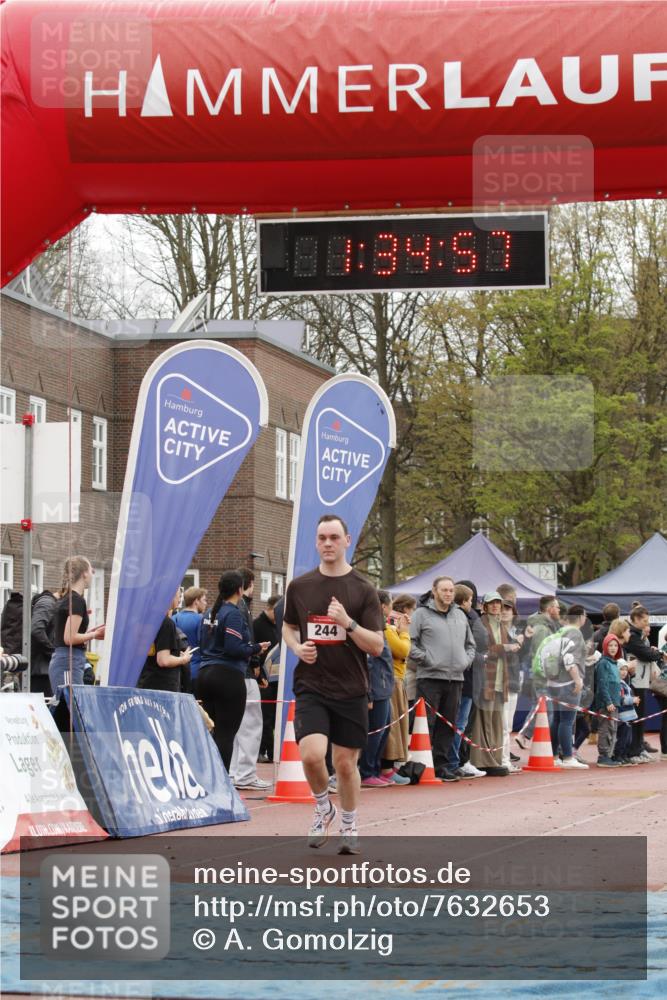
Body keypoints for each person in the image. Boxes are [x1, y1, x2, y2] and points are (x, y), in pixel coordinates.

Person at [282, 514, 384, 855]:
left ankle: (350, 823)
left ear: (347, 541)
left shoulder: (363, 589)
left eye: (334, 537)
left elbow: (377, 646)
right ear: (316, 542)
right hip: (311, 684)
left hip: (351, 688)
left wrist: (348, 623)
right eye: (322, 538)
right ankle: (324, 807)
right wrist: (297, 647)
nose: (327, 543)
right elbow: (288, 627)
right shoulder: (300, 586)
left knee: (344, 764)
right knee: (312, 756)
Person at [198, 571, 270, 773]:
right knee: (226, 733)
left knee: (210, 731)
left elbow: (202, 642)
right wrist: (256, 648)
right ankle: (221, 780)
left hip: (205, 674)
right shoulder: (233, 614)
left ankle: (207, 776)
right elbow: (233, 648)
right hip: (227, 676)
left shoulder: (209, 612)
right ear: (240, 590)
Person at [409, 576, 476, 782]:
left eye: (451, 591)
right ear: (434, 591)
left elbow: (470, 644)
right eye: (444, 590)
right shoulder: (421, 614)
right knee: (426, 723)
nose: (448, 594)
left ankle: (442, 766)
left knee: (449, 724)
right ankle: (421, 764)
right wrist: (427, 659)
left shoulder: (460, 615)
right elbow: (410, 643)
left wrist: (465, 661)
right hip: (430, 677)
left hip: (455, 678)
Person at [229, 569, 272, 791]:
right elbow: (246, 640)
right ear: (250, 584)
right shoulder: (242, 609)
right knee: (251, 724)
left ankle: (234, 772)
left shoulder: (223, 609)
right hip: (243, 673)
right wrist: (256, 663)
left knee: (235, 726)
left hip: (228, 673)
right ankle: (245, 773)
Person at [48, 557, 105, 692]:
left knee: (70, 703)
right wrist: (94, 634)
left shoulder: (67, 598)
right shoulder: (77, 600)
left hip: (66, 660)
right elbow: (69, 638)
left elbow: (64, 635)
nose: (92, 574)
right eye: (91, 570)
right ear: (84, 574)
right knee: (69, 703)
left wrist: (89, 634)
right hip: (68, 661)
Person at [470, 592, 509, 776]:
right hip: (487, 679)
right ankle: (484, 761)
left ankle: (495, 758)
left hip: (500, 679)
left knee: (496, 723)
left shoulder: (501, 625)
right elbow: (480, 651)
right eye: (491, 603)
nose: (495, 606)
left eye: (498, 603)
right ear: (484, 606)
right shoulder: (480, 624)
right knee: (484, 722)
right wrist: (504, 648)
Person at [359, 590, 395, 786]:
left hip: (385, 686)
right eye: (390, 604)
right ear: (382, 606)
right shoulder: (371, 626)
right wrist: (369, 694)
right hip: (377, 687)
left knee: (384, 729)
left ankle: (374, 769)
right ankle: (366, 771)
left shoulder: (381, 625)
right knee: (375, 731)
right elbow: (369, 662)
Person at [516, 595, 561, 748]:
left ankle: (526, 736)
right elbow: (540, 653)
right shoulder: (542, 629)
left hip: (543, 675)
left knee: (541, 708)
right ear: (550, 609)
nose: (559, 610)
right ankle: (525, 735)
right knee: (545, 710)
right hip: (542, 676)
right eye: (557, 607)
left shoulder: (546, 626)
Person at [380, 592, 416, 782]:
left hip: (397, 679)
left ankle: (390, 766)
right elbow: (402, 650)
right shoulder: (387, 626)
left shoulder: (391, 625)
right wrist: (405, 632)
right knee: (392, 726)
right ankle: (385, 768)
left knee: (397, 725)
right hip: (391, 679)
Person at [547, 605, 588, 769]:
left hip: (555, 681)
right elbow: (569, 658)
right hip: (568, 682)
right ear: (581, 616)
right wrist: (577, 680)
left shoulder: (561, 631)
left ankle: (555, 756)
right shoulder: (575, 633)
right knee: (567, 721)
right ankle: (568, 757)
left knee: (557, 719)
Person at [625, 605, 664, 761]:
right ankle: (633, 751)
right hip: (634, 682)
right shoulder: (632, 636)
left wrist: (653, 653)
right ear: (636, 619)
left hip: (641, 680)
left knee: (640, 717)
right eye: (645, 621)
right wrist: (657, 653)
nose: (647, 624)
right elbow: (647, 654)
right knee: (635, 717)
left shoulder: (638, 635)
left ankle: (639, 748)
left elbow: (647, 653)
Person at [137, 587, 192, 692]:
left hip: (146, 681)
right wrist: (183, 659)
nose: (180, 598)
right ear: (170, 595)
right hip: (163, 687)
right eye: (178, 594)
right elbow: (163, 660)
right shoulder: (166, 623)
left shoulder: (145, 620)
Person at [254, 594, 280, 762]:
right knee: (265, 717)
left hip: (276, 678)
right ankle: (262, 750)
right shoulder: (257, 625)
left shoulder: (277, 625)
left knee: (273, 717)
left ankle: (272, 751)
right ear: (271, 609)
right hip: (264, 678)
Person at [500, 598, 524, 773]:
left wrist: (523, 642)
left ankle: (505, 759)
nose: (504, 611)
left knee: (507, 725)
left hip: (514, 680)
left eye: (508, 609)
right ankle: (502, 760)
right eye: (502, 608)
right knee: (502, 725)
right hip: (498, 681)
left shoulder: (518, 632)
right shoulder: (495, 630)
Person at [592, 634, 623, 767]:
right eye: (610, 645)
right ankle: (603, 756)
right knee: (606, 728)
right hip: (606, 703)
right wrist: (608, 701)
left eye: (615, 645)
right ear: (605, 646)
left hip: (615, 702)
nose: (613, 648)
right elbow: (602, 684)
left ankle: (609, 755)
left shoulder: (614, 663)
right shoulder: (603, 663)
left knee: (613, 729)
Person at [172, 586, 208, 691]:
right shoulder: (201, 620)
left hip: (178, 672)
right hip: (196, 672)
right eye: (204, 600)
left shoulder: (173, 619)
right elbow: (205, 646)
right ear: (196, 601)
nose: (206, 603)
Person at [30, 587, 60, 696]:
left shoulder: (49, 604)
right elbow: (36, 631)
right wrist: (54, 653)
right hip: (40, 673)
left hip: (42, 670)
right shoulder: (48, 603)